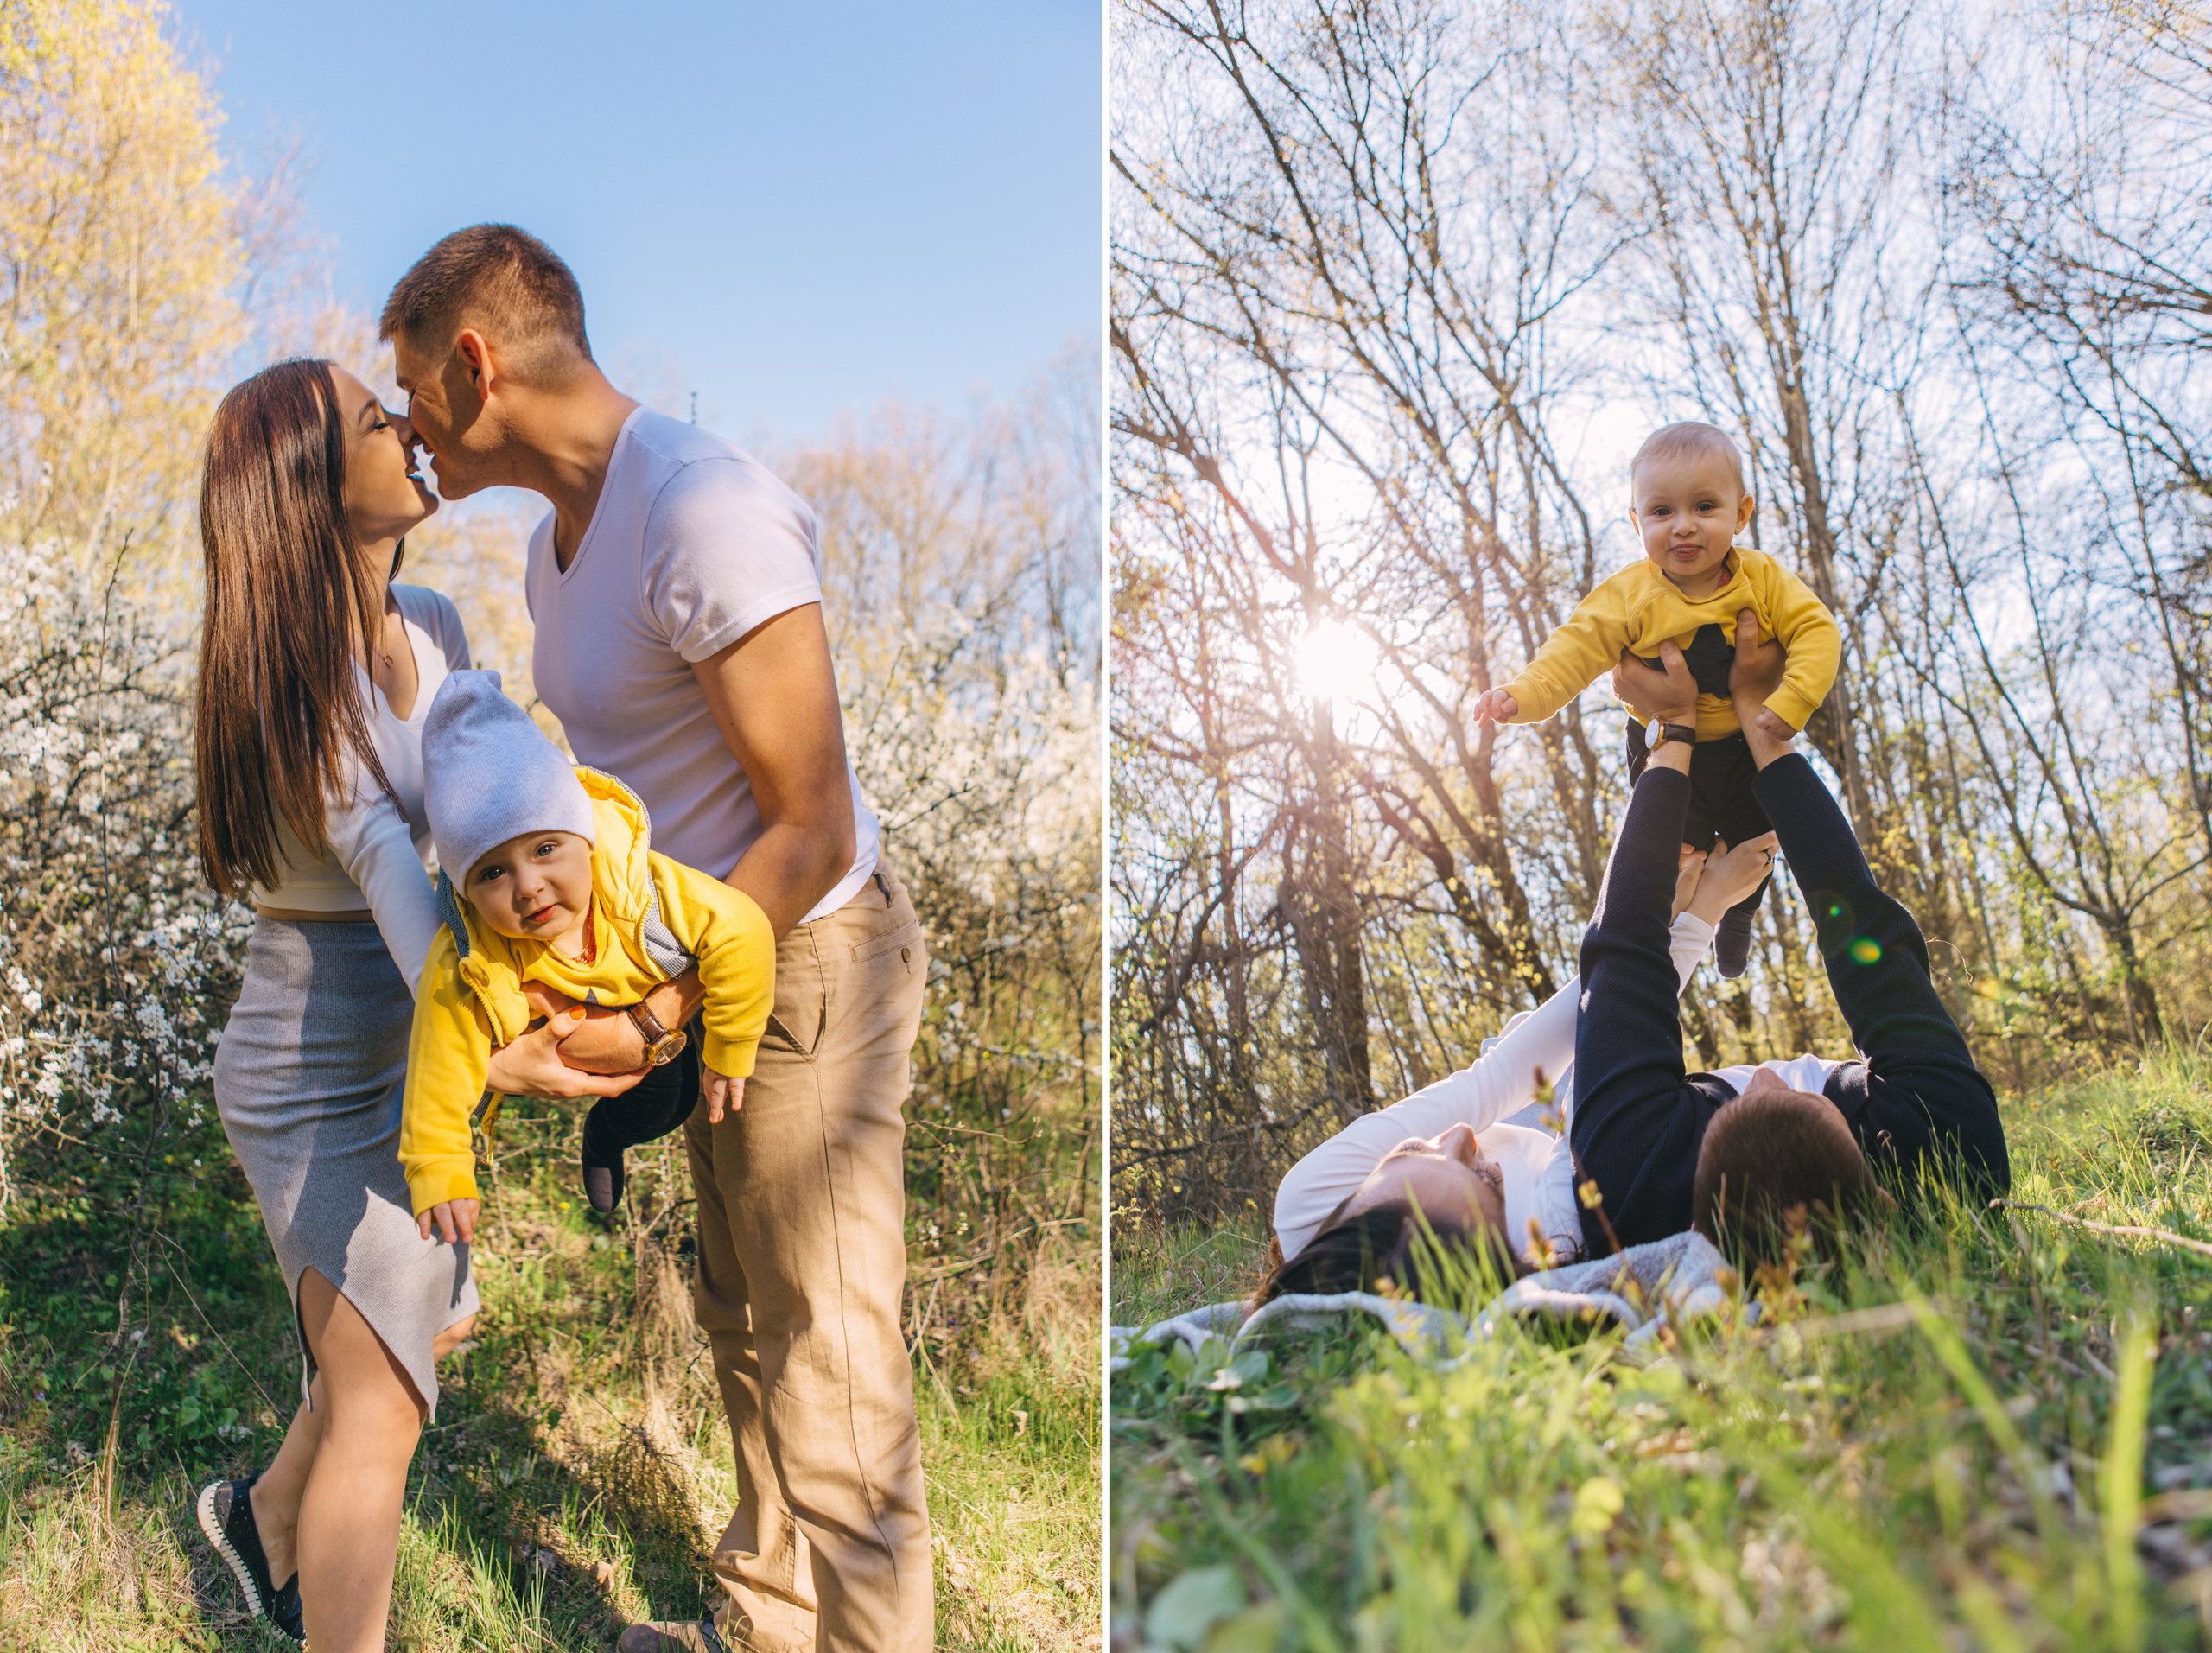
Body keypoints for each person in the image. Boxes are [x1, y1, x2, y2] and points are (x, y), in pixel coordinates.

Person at [382, 224, 931, 1653]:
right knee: (749, 1333)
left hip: (801, 955)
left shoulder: (701, 508)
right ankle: (765, 1629)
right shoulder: (555, 551)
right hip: (698, 958)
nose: (405, 425)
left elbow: (806, 818)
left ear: (474, 363)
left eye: (409, 389)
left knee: (834, 1367)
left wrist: (662, 1021)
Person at [190, 359, 483, 1650]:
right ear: (315, 489)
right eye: (379, 420)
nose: (410, 427)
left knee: (414, 1335)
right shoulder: (288, 681)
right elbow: (381, 868)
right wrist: (498, 1043)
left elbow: (476, 828)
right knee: (382, 1405)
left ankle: (258, 1521)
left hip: (414, 1023)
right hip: (307, 1052)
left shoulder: (434, 622)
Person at [1570, 611, 2012, 1260]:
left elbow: (1622, 952)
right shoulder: (1951, 1153)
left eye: (1740, 1100)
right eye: (1796, 1096)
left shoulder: (1633, 1184)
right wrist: (1759, 718)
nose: (1768, 1074)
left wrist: (1674, 734)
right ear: (1879, 1185)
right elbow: (1864, 921)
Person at [1256, 836, 1776, 1304]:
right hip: (1572, 1129)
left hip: (1536, 1107)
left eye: (1416, 1150)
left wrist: (1654, 924)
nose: (1460, 1135)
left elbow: (1501, 1078)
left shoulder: (1313, 1201)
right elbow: (1615, 1068)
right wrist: (1700, 914)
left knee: (1516, 1043)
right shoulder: (1558, 1240)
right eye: (1488, 1184)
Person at [400, 671, 775, 1236]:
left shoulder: (639, 885)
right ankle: (607, 1136)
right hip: (582, 1049)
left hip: (665, 1013)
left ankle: (607, 1134)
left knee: (672, 1099)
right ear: (465, 892)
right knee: (658, 1095)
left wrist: (731, 1044)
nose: (528, 886)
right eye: (493, 872)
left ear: (585, 837)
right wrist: (439, 1164)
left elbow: (741, 928)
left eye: (546, 847)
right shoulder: (476, 959)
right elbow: (440, 1058)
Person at [1471, 423, 1841, 978]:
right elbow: (1573, 650)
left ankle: (1737, 915)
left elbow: (1817, 631)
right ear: (1637, 521)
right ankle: (1671, 937)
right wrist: (1523, 696)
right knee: (1676, 853)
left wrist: (1794, 699)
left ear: (1741, 514)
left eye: (1705, 507)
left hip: (1749, 738)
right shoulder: (1627, 595)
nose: (1683, 526)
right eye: (1662, 512)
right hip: (1667, 744)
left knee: (1755, 840)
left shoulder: (1764, 580)